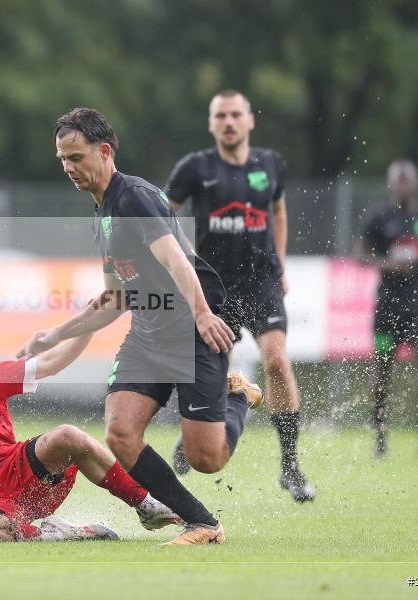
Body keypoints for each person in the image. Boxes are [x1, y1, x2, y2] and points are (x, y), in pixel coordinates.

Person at [18, 108, 264, 545]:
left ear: (105, 151)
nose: (68, 168)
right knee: (120, 433)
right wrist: (52, 335)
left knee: (205, 458)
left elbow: (175, 259)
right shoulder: (101, 215)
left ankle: (239, 395)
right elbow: (115, 298)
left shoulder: (134, 197)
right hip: (148, 333)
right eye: (62, 159)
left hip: (192, 327)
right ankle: (204, 524)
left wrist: (205, 315)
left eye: (75, 157)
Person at [0, 301, 181, 542]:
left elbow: (52, 363)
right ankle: (58, 535)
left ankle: (145, 504)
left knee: (67, 434)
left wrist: (90, 325)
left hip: (20, 473)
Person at [163, 89, 315, 502]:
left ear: (250, 120)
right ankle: (196, 434)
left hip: (261, 281)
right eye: (220, 116)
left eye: (235, 114)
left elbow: (279, 212)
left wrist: (280, 263)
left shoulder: (270, 165)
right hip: (213, 286)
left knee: (278, 363)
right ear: (211, 124)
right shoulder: (195, 168)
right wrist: (177, 260)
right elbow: (162, 213)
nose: (228, 122)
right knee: (214, 375)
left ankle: (290, 466)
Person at [357, 159, 418, 459]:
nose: (403, 185)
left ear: (415, 183)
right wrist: (388, 264)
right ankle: (380, 441)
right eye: (399, 180)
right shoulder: (379, 218)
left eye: (408, 180)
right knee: (381, 374)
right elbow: (361, 255)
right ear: (391, 184)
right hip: (387, 309)